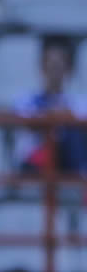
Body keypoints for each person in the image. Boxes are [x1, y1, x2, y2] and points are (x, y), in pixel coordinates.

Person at [13, 36, 87, 174]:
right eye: (51, 65)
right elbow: (29, 123)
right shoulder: (25, 99)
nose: (55, 72)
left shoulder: (79, 102)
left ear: (68, 69)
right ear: (42, 67)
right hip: (33, 163)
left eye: (59, 66)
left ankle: (81, 182)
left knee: (73, 135)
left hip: (67, 162)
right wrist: (57, 115)